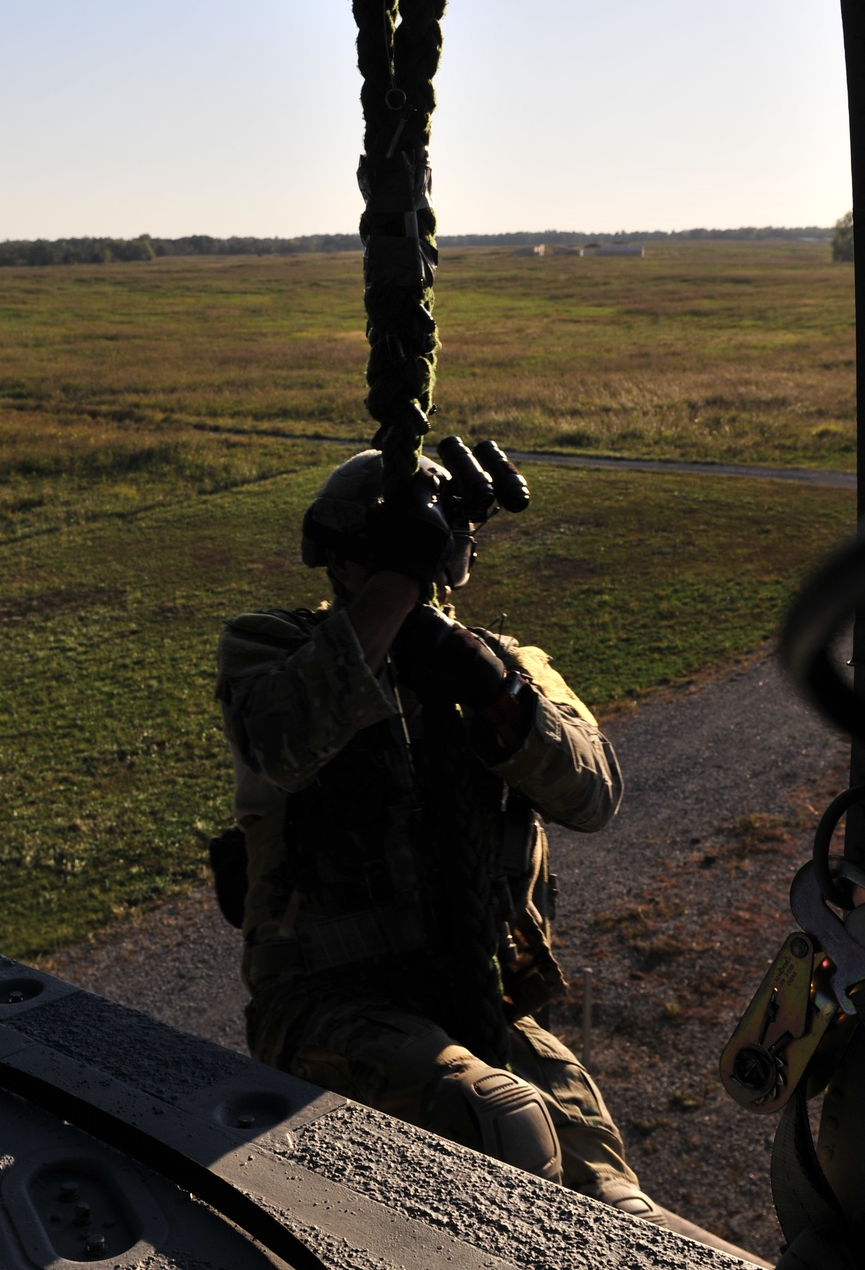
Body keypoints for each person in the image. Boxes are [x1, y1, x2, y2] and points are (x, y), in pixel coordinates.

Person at [214, 447, 658, 1217]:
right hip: (327, 1005)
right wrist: (398, 591)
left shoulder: (505, 664)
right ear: (345, 565)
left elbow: (595, 793)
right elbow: (279, 740)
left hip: (476, 997)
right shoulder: (275, 650)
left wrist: (496, 695)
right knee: (504, 1122)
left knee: (618, 1206)